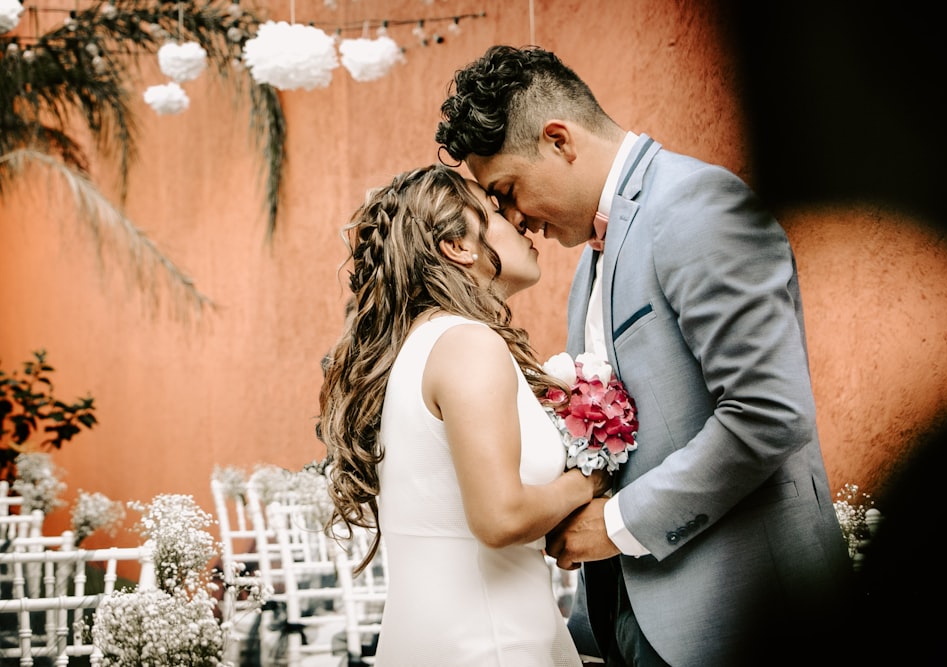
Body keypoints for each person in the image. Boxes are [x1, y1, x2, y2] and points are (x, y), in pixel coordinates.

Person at [436, 45, 853, 667]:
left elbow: (768, 413)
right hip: (634, 618)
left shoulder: (697, 206)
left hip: (743, 612)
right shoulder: (588, 261)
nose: (516, 219)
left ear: (559, 140)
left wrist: (617, 522)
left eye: (509, 190)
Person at [316, 164, 610, 667]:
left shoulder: (422, 345)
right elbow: (499, 518)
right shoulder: (469, 344)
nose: (520, 220)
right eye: (495, 211)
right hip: (489, 644)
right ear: (457, 245)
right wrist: (591, 479)